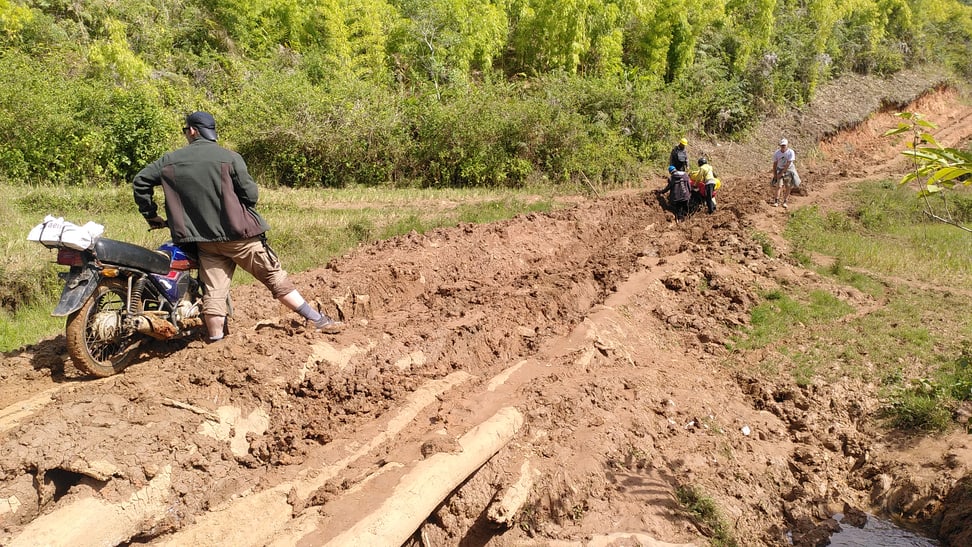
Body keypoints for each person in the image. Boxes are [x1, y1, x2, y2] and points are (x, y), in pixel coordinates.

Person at [133, 111, 342, 342]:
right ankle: (317, 320)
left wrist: (151, 215)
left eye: (186, 130)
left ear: (193, 130)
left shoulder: (170, 160)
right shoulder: (229, 158)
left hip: (204, 242)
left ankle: (216, 341)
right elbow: (251, 196)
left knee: (214, 292)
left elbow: (140, 181)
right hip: (239, 237)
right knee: (274, 277)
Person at [771, 138, 801, 208]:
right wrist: (775, 174)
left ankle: (785, 201)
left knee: (788, 186)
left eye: (784, 145)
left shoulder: (791, 152)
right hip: (779, 168)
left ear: (787, 145)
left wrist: (782, 173)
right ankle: (776, 201)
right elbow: (775, 164)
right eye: (782, 145)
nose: (783, 147)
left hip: (789, 169)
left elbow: (788, 163)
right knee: (779, 186)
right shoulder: (777, 153)